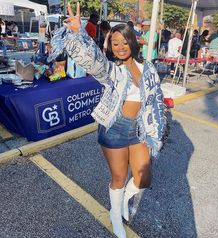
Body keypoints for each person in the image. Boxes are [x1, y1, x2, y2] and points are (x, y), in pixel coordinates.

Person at [50, 2, 165, 238]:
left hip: (140, 129)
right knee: (119, 178)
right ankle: (115, 214)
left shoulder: (149, 68)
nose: (121, 47)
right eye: (115, 44)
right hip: (114, 127)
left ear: (132, 42)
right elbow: (92, 60)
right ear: (110, 47)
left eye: (124, 42)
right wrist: (77, 33)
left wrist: (156, 130)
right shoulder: (111, 69)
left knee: (143, 178)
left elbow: (157, 101)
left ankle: (123, 198)